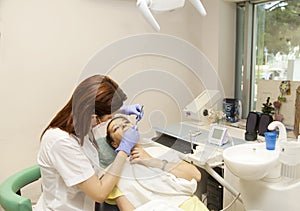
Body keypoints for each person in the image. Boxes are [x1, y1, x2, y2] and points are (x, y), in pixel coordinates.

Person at [36, 75, 144, 211]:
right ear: (92, 116)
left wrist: (121, 110)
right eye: (109, 118)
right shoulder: (60, 142)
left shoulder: (81, 125)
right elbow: (99, 194)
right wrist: (124, 150)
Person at [104, 116, 208, 211]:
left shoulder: (159, 150)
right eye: (116, 128)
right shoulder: (115, 174)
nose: (123, 125)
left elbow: (196, 175)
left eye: (126, 122)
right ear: (114, 144)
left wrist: (152, 161)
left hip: (190, 206)